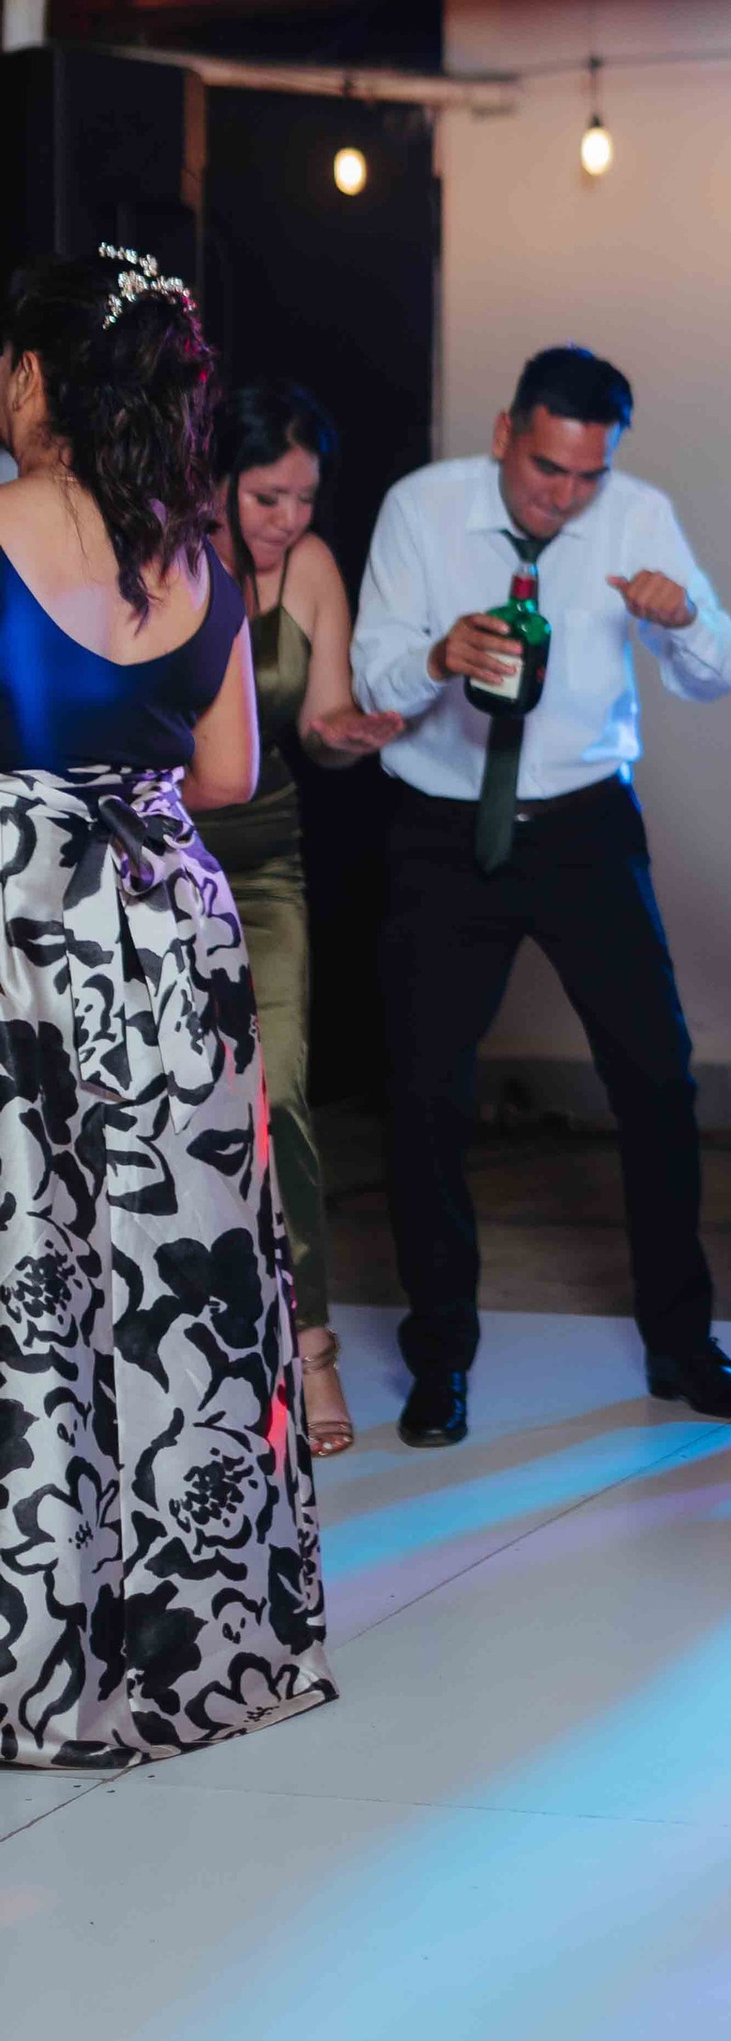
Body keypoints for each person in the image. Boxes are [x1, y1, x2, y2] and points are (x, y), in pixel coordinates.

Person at [0, 248, 330, 1762]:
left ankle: (37, 1653)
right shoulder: (199, 561)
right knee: (175, 1290)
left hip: (20, 937)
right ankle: (194, 1651)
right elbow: (230, 780)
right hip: (168, 943)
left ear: (36, 380)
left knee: (28, 1290)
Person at [352, 345, 731, 1452]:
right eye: (546, 473)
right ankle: (440, 1358)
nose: (565, 498)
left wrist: (680, 618)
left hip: (584, 825)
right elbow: (371, 675)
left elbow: (720, 669)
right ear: (504, 435)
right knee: (426, 1096)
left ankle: (683, 1344)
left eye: (586, 476)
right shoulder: (419, 511)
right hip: (444, 831)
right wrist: (439, 653)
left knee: (660, 1081)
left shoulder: (636, 517)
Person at [196, 383, 406, 1459]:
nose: (286, 518)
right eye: (267, 496)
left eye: (305, 497)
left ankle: (311, 1341)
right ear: (217, 477)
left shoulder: (313, 566)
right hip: (165, 852)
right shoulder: (169, 550)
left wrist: (348, 736)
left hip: (268, 855)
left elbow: (318, 725)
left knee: (282, 1090)